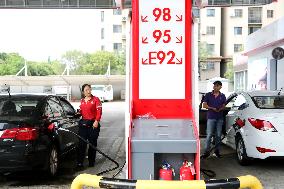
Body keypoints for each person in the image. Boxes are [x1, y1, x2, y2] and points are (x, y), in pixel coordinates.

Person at [77, 84, 102, 168]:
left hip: (93, 124)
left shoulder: (96, 99)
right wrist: (78, 113)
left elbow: (99, 111)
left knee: (92, 144)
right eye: (86, 90)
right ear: (83, 92)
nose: (88, 91)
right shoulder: (82, 101)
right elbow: (81, 111)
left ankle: (91, 162)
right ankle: (80, 163)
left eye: (89, 89)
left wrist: (96, 121)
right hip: (84, 124)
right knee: (81, 144)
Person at [202, 80, 226, 158]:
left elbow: (224, 105)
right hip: (211, 117)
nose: (215, 87)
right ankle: (206, 152)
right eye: (214, 85)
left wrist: (220, 108)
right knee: (209, 135)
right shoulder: (208, 95)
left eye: (217, 86)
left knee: (218, 135)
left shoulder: (223, 96)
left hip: (220, 118)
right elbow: (204, 105)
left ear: (220, 87)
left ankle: (217, 151)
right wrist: (212, 108)